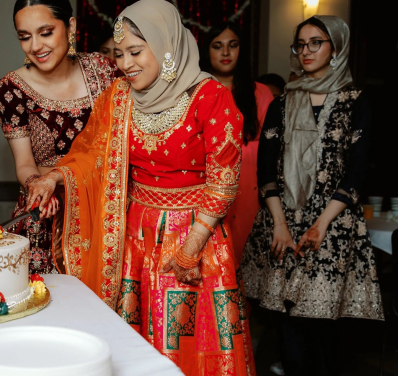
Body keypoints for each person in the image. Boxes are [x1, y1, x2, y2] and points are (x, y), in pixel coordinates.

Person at [26, 1, 255, 374]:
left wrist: (192, 245)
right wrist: (54, 176)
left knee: (187, 340)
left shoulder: (210, 97)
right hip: (132, 237)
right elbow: (91, 154)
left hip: (195, 236)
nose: (126, 64)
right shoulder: (117, 97)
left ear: (166, 47)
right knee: (132, 341)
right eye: (119, 54)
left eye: (135, 51)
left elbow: (224, 179)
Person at [241, 16, 383, 376]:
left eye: (316, 42)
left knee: (325, 331)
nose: (306, 51)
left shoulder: (356, 103)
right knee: (288, 330)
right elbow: (266, 171)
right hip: (282, 224)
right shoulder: (282, 103)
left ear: (336, 47)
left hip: (332, 228)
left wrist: (320, 225)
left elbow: (357, 171)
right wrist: (279, 225)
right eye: (300, 44)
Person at [0, 0, 118, 274]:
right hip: (44, 214)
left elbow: (117, 147)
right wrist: (37, 185)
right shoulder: (11, 89)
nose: (36, 46)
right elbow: (24, 164)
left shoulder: (104, 71)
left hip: (100, 211)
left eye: (46, 32)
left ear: (70, 26)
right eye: (24, 37)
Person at [200, 22, 274, 263]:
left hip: (249, 193)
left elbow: (269, 150)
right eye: (217, 46)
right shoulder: (196, 92)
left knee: (246, 264)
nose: (225, 53)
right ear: (206, 51)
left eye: (232, 45)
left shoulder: (260, 93)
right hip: (206, 190)